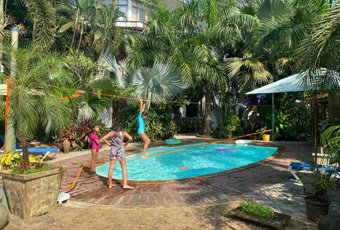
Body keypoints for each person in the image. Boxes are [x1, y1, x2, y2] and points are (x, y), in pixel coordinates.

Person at [100, 124, 133, 189]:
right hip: (120, 149)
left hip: (113, 149)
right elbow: (130, 138)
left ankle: (110, 184)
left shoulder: (111, 133)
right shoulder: (123, 132)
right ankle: (125, 184)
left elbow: (103, 138)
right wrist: (126, 143)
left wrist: (109, 144)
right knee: (123, 168)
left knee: (111, 167)